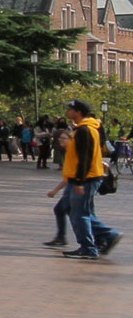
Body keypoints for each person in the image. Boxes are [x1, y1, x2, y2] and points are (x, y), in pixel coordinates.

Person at [48, 99, 121, 259]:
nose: (68, 112)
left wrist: (80, 181)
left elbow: (85, 158)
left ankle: (91, 246)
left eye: (70, 109)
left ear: (78, 112)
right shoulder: (85, 128)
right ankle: (103, 239)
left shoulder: (84, 130)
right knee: (81, 213)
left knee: (79, 214)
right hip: (84, 178)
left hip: (86, 179)